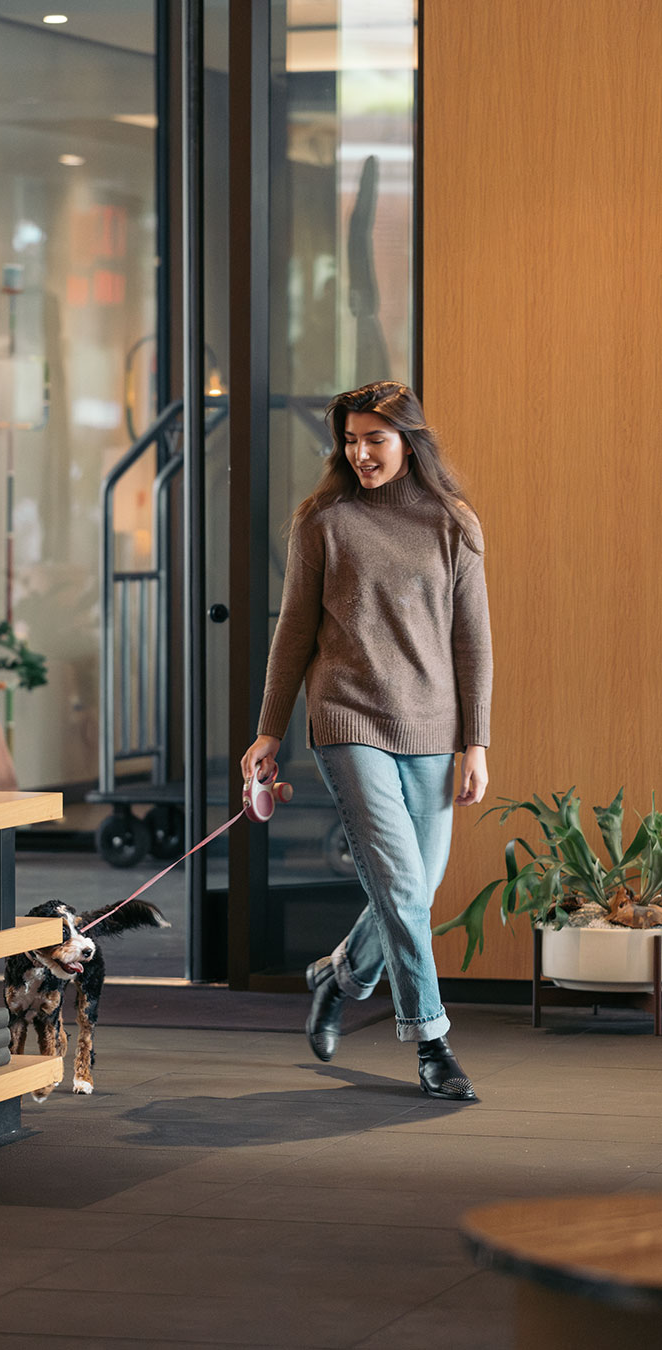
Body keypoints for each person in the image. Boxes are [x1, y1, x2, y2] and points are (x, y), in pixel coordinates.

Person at [240, 381, 492, 1101]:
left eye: (374, 440)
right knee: (405, 887)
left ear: (409, 440)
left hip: (433, 727)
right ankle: (432, 1043)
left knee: (419, 887)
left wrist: (476, 741)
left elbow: (474, 640)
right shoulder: (324, 520)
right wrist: (267, 729)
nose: (360, 454)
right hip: (347, 720)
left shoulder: (454, 523)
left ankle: (338, 974)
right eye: (350, 441)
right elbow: (292, 634)